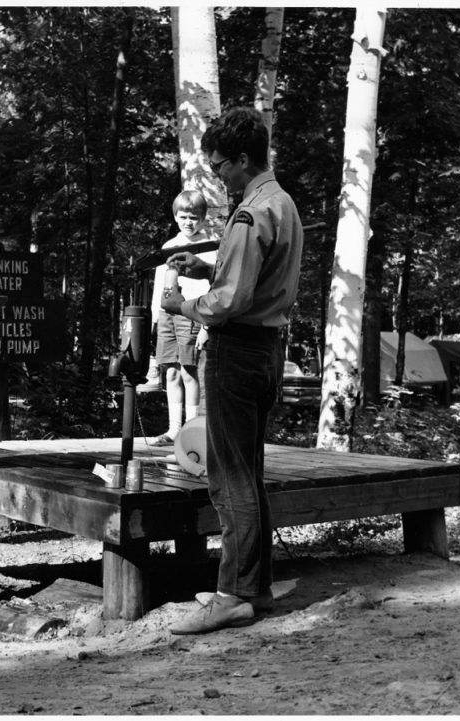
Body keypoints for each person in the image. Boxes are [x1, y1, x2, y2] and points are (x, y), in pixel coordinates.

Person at [160, 107, 304, 634]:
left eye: (220, 166)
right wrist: (207, 267)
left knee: (227, 476)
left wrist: (182, 306)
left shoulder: (249, 213)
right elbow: (253, 278)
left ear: (243, 159)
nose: (217, 176)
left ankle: (233, 595)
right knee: (249, 471)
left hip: (235, 349)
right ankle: (255, 587)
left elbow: (228, 302)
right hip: (266, 348)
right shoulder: (280, 202)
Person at [146, 190, 217, 445]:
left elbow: (214, 288)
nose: (189, 222)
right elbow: (159, 288)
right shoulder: (168, 247)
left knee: (189, 372)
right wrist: (155, 320)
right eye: (184, 216)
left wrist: (207, 325)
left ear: (203, 218)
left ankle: (191, 431)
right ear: (176, 217)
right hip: (167, 315)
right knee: (171, 373)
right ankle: (173, 429)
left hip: (192, 313)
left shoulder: (210, 247)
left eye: (194, 217)